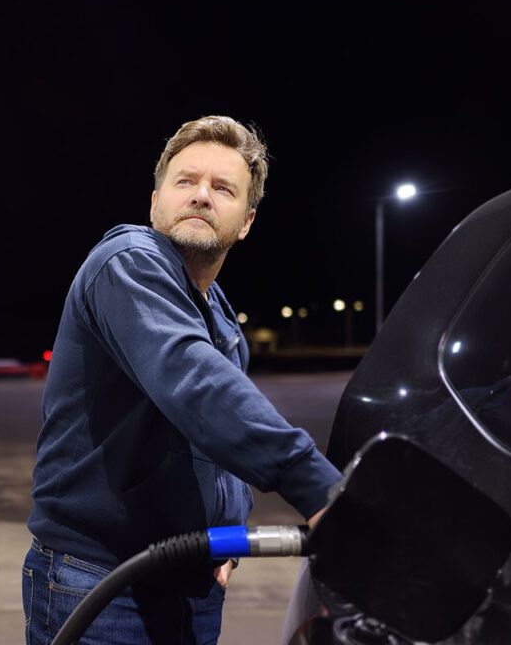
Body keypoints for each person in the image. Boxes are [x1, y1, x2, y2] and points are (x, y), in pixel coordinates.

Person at [23, 116, 343, 644]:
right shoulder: (127, 263)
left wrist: (229, 531)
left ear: (246, 222)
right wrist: (317, 486)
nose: (201, 196)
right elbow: (194, 382)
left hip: (190, 581)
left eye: (223, 188)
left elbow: (216, 433)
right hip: (98, 581)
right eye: (186, 181)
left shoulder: (217, 313)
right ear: (155, 203)